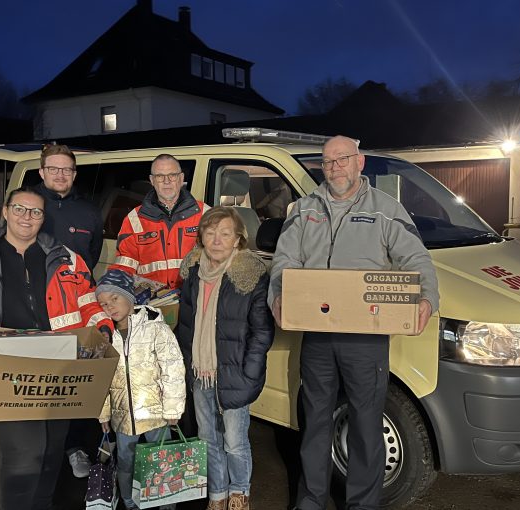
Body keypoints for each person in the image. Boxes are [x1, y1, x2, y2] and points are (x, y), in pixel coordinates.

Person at [267, 136, 440, 510]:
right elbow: (284, 260)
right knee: (314, 423)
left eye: (341, 159)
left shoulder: (385, 209)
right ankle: (311, 500)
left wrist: (427, 298)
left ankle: (363, 504)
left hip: (366, 337)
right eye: (327, 162)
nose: (334, 167)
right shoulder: (305, 209)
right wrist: (277, 296)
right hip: (317, 334)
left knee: (365, 424)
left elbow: (417, 258)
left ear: (359, 162)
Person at [0, 186, 113, 510]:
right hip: (3, 368)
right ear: (5, 211)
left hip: (60, 369)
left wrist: (102, 327)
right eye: (19, 209)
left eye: (35, 212)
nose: (26, 217)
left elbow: (88, 301)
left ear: (43, 218)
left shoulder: (67, 259)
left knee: (49, 454)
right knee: (23, 457)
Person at [176, 207, 274, 510]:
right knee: (208, 437)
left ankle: (239, 493)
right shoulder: (193, 271)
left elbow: (262, 332)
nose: (217, 239)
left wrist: (249, 373)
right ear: (202, 238)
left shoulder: (250, 275)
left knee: (234, 441)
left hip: (233, 372)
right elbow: (186, 323)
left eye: (225, 233)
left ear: (238, 239)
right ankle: (217, 495)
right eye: (210, 232)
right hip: (199, 369)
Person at [34, 143, 105, 478]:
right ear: (42, 172)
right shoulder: (28, 206)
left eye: (67, 170)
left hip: (74, 313)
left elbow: (90, 257)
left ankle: (75, 447)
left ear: (74, 174)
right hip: (32, 312)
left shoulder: (89, 211)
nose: (60, 175)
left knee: (73, 383)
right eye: (53, 169)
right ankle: (42, 451)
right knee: (37, 383)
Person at [95, 269, 186, 510]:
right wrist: (103, 413)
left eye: (115, 298)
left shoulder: (155, 327)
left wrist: (173, 408)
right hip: (123, 417)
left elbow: (173, 368)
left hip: (156, 414)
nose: (110, 307)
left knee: (162, 460)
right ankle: (130, 501)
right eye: (103, 303)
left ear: (129, 296)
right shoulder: (104, 336)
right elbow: (100, 379)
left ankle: (166, 503)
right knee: (126, 462)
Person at [109, 153, 208, 289]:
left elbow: (220, 257)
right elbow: (124, 267)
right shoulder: (134, 219)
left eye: (172, 175)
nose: (166, 181)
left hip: (194, 300)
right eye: (160, 176)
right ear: (152, 180)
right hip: (151, 302)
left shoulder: (206, 214)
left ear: (181, 178)